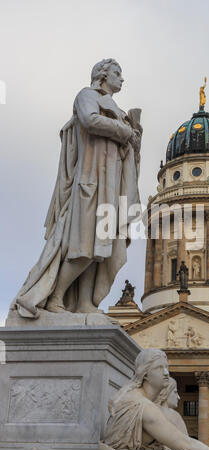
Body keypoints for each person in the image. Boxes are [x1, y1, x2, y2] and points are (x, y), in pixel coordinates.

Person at [10, 59, 142, 318]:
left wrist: (135, 136)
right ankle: (55, 297)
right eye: (117, 73)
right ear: (102, 76)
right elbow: (90, 121)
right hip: (91, 179)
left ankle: (84, 303)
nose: (122, 79)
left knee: (102, 248)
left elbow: (127, 152)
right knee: (85, 244)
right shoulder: (87, 96)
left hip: (112, 183)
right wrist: (125, 132)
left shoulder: (117, 108)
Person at [103, 349, 209, 450]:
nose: (166, 373)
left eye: (166, 367)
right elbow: (185, 444)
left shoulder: (135, 398)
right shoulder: (144, 407)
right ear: (145, 374)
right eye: (159, 368)